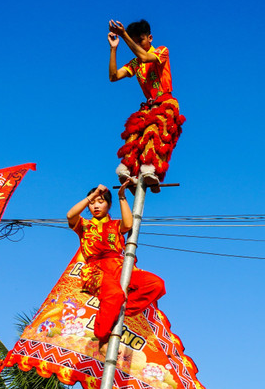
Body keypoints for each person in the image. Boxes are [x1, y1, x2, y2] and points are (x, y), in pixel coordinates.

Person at [66, 181, 166, 351]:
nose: (96, 206)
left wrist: (122, 197)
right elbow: (70, 215)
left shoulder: (115, 225)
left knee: (155, 284)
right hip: (96, 270)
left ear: (108, 204)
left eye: (101, 201)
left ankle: (116, 314)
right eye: (92, 203)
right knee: (114, 294)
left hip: (120, 266)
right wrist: (93, 194)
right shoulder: (84, 225)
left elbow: (128, 224)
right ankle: (103, 337)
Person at [108, 19, 185, 192]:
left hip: (164, 102)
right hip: (148, 106)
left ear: (150, 38)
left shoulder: (161, 51)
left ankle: (150, 169)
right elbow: (113, 76)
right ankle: (129, 170)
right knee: (133, 134)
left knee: (154, 132)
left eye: (140, 41)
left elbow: (145, 56)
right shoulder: (135, 63)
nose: (137, 45)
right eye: (134, 42)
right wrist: (114, 49)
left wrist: (124, 35)